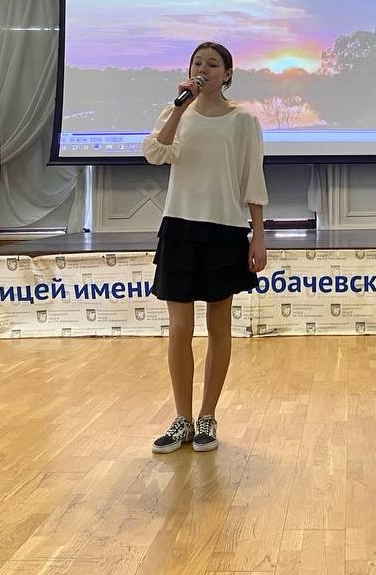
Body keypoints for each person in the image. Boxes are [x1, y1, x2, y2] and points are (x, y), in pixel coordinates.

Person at [143, 41, 268, 455]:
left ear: (227, 74)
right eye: (198, 63)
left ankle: (208, 416)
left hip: (225, 229)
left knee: (219, 326)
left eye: (213, 64)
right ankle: (182, 418)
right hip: (180, 226)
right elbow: (156, 153)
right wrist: (180, 108)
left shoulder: (243, 119)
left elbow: (252, 178)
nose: (204, 69)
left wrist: (258, 235)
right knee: (179, 329)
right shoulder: (176, 112)